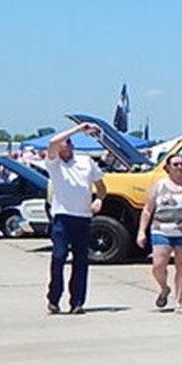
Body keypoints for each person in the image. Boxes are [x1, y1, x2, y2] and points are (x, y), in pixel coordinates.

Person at [137, 152, 182, 312]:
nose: (180, 167)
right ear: (167, 168)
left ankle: (179, 300)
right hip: (161, 230)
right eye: (176, 164)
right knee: (158, 265)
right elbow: (148, 210)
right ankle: (164, 288)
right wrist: (141, 231)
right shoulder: (159, 185)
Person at [44, 127, 105, 314]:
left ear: (71, 146)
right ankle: (54, 297)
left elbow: (101, 187)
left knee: (81, 261)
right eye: (60, 147)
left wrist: (99, 200)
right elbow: (52, 143)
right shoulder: (54, 164)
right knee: (59, 257)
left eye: (65, 146)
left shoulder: (86, 162)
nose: (61, 150)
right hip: (62, 216)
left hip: (83, 217)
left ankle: (77, 301)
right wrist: (80, 128)